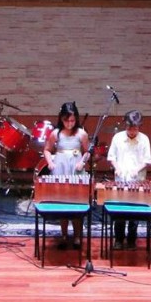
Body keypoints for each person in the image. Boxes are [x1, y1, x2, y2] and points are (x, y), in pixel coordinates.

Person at [43, 101, 90, 249]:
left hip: (76, 168)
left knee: (77, 202)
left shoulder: (82, 133)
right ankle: (63, 235)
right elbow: (47, 150)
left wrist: (83, 162)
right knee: (62, 202)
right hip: (61, 167)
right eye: (66, 120)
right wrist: (50, 162)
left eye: (72, 120)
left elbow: (88, 151)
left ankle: (77, 236)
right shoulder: (56, 133)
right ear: (61, 119)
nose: (69, 123)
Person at [106, 110, 151, 251]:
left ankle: (132, 239)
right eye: (129, 128)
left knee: (134, 210)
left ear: (139, 126)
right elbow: (111, 157)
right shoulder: (117, 138)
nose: (132, 131)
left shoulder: (144, 139)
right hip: (120, 180)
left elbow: (147, 161)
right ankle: (118, 239)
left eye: (135, 128)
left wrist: (136, 170)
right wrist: (117, 168)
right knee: (119, 210)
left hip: (138, 180)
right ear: (125, 125)